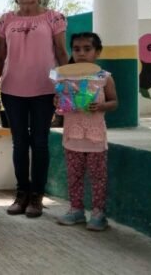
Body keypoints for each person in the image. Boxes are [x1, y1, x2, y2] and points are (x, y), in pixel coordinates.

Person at [0, 0, 69, 218]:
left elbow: (61, 53)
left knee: (40, 143)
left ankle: (37, 196)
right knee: (19, 143)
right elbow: (0, 57)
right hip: (12, 91)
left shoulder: (54, 18)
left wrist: (68, 86)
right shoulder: (6, 20)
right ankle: (21, 194)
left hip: (44, 90)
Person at [56, 33, 117, 231]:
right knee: (74, 175)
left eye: (87, 49)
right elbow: (56, 101)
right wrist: (58, 102)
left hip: (95, 136)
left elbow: (114, 102)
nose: (81, 53)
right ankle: (76, 210)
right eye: (76, 49)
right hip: (72, 135)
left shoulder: (104, 77)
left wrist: (100, 107)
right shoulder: (64, 76)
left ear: (97, 52)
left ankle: (98, 213)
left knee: (98, 176)